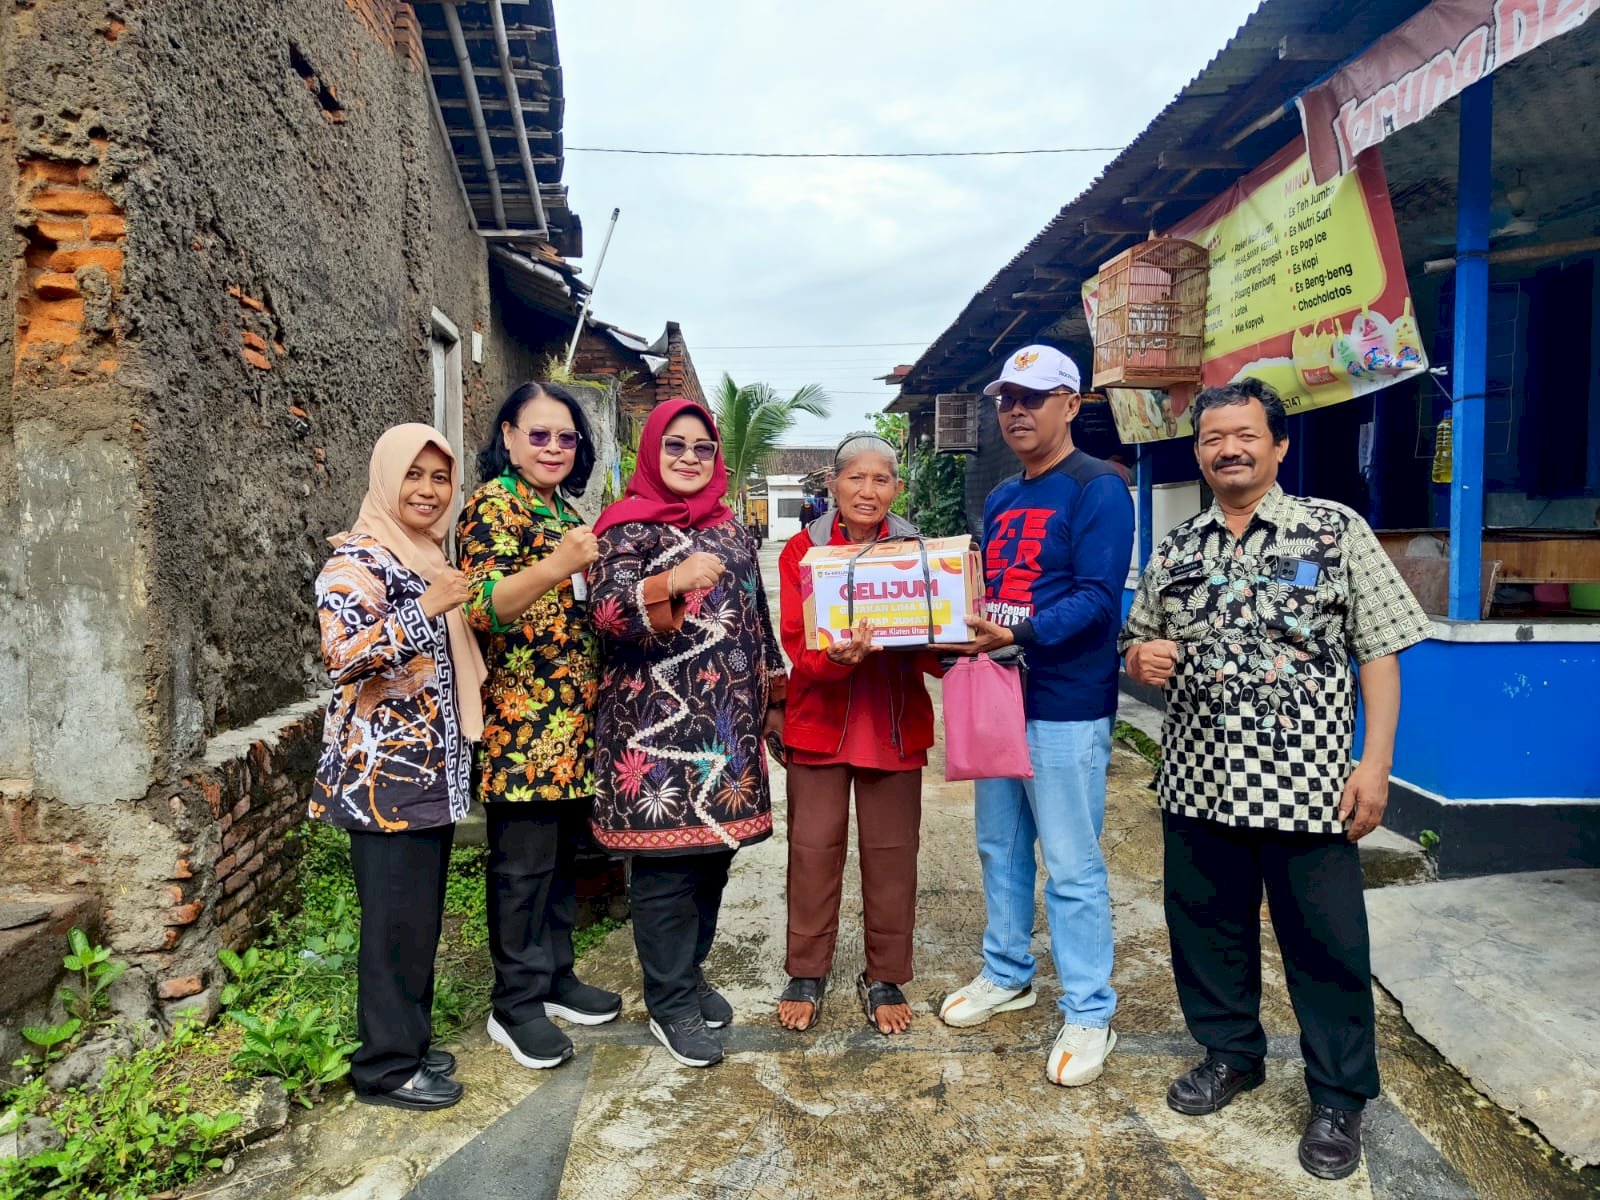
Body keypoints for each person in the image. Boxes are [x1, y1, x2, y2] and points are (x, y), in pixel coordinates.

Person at [1119, 377, 1429, 1181]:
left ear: (1279, 445)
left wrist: (1374, 765)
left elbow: (1379, 652)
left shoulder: (1334, 531)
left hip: (1309, 787)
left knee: (1327, 946)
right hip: (1199, 782)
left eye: (1245, 435)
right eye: (1213, 438)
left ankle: (1338, 1097)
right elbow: (1138, 641)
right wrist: (1140, 658)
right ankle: (1231, 1055)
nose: (1229, 449)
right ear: (1198, 452)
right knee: (1206, 933)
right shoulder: (1177, 548)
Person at [938, 344, 1134, 1090]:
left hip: (1065, 702)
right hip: (999, 693)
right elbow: (989, 588)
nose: (1016, 411)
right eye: (1007, 400)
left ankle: (1089, 1010)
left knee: (1073, 865)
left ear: (1071, 404)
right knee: (1000, 845)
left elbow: (1098, 600)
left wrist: (1016, 633)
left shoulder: (1097, 487)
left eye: (1033, 397)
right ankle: (1007, 971)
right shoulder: (1002, 496)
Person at [587, 398, 787, 1068]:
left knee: (713, 856)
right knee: (667, 866)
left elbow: (756, 614)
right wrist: (670, 580)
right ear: (652, 450)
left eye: (703, 448)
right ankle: (669, 1002)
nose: (689, 458)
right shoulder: (624, 525)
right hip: (652, 729)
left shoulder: (729, 528)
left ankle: (689, 972)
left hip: (726, 723)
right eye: (675, 445)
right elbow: (606, 613)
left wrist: (775, 695)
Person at [310, 424, 487, 1111]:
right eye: (413, 475)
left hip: (426, 777)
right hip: (382, 781)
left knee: (417, 924)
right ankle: (385, 1070)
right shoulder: (357, 559)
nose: (428, 490)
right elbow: (343, 657)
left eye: (440, 477)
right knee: (392, 930)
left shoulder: (424, 555)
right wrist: (427, 609)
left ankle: (408, 1044)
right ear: (386, 479)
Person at [456, 382, 621, 1074]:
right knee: (521, 870)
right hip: (522, 726)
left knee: (557, 864)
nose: (554, 447)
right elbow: (483, 607)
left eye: (567, 438)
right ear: (509, 436)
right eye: (540, 434)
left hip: (571, 724)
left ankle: (555, 975)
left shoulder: (559, 507)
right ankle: (516, 1003)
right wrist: (558, 566)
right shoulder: (494, 504)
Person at [776, 433, 941, 1035]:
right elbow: (798, 641)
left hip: (892, 725)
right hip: (820, 719)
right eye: (855, 478)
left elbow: (937, 648)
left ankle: (886, 975)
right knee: (812, 851)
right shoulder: (803, 551)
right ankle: (806, 971)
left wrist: (947, 638)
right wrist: (835, 659)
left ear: (897, 488)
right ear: (833, 484)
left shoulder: (920, 553)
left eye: (881, 480)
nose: (867, 491)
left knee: (893, 855)